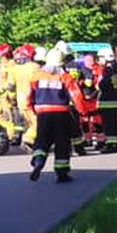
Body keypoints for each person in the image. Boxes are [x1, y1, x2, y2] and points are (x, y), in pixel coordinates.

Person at [28, 49, 74, 183]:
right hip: (61, 114)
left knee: (42, 140)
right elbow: (75, 95)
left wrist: (31, 109)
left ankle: (38, 161)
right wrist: (81, 111)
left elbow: (29, 95)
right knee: (62, 143)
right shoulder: (65, 77)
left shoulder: (36, 76)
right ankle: (62, 173)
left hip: (42, 113)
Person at [11, 44, 38, 149]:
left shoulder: (16, 69)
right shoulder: (34, 67)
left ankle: (30, 143)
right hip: (31, 100)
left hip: (20, 101)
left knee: (28, 123)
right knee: (36, 123)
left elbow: (11, 85)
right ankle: (27, 140)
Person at [0, 43, 19, 143]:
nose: (0, 58)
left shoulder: (12, 66)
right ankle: (6, 135)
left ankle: (11, 137)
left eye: (1, 56)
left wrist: (7, 94)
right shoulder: (4, 66)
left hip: (7, 96)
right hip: (0, 95)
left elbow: (11, 82)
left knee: (9, 118)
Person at [96, 47, 117, 152]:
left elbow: (103, 85)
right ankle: (113, 144)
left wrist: (98, 84)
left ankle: (110, 145)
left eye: (100, 57)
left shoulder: (107, 70)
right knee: (112, 124)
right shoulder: (114, 69)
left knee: (108, 125)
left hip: (106, 102)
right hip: (113, 101)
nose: (99, 60)